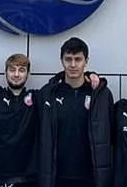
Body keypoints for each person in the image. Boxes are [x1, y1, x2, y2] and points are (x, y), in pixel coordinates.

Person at [39, 36, 114, 187]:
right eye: (68, 59)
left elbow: (111, 133)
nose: (73, 65)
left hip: (91, 177)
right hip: (56, 177)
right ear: (61, 61)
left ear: (86, 61)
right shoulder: (48, 94)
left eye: (78, 59)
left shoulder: (101, 95)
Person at [0, 53, 40, 187]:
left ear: (28, 74)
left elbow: (60, 85)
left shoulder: (37, 98)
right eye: (12, 69)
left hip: (26, 178)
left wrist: (89, 74)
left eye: (21, 70)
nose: (16, 74)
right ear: (6, 72)